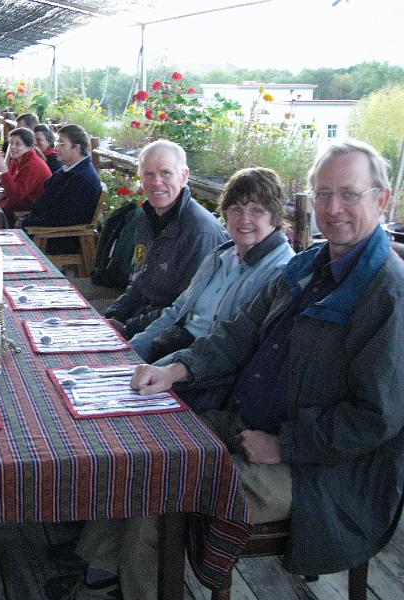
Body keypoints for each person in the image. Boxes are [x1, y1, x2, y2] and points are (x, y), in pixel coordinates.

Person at [60, 140, 404, 600]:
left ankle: (128, 585)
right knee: (143, 443)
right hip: (248, 422)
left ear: (382, 200)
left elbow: (375, 419)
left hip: (324, 472)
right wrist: (175, 369)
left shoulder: (387, 292)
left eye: (348, 194)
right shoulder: (308, 267)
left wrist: (284, 444)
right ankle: (100, 568)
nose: (333, 207)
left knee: (166, 480)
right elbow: (236, 334)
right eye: (323, 194)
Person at [130, 167, 294, 411]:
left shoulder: (281, 272)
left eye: (256, 211)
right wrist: (131, 349)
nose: (244, 219)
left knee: (128, 397)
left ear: (275, 216)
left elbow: (238, 349)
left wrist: (166, 369)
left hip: (212, 379)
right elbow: (176, 311)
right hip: (174, 350)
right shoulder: (220, 255)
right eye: (236, 209)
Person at [104, 140, 228, 340]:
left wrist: (128, 328)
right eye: (148, 174)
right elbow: (138, 284)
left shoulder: (199, 231)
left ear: (184, 177)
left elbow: (185, 310)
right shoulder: (147, 217)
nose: (156, 182)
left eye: (166, 173)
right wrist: (113, 315)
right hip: (143, 322)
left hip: (171, 338)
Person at [21, 124, 101, 254]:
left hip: (57, 238)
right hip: (45, 230)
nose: (56, 148)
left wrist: (29, 221)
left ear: (77, 148)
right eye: (58, 143)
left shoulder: (83, 177)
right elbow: (45, 201)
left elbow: (65, 217)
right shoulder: (68, 170)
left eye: (62, 144)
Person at [0, 127, 51, 224]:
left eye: (18, 144)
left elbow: (15, 197)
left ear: (29, 147)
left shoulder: (32, 165)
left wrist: (4, 171)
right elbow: (8, 190)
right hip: (12, 206)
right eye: (11, 143)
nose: (12, 147)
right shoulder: (17, 160)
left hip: (27, 212)